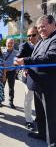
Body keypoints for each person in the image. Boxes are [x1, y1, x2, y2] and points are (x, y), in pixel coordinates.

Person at [14, 15, 56, 147]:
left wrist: (26, 61)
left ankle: (52, 141)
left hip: (47, 86)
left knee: (50, 115)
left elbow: (51, 58)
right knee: (40, 114)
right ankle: (42, 134)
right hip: (37, 84)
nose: (41, 30)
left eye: (43, 26)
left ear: (53, 24)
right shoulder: (42, 41)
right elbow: (35, 58)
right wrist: (27, 67)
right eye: (39, 28)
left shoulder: (54, 39)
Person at [16, 26, 40, 131]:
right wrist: (23, 67)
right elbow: (17, 58)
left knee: (40, 100)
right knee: (28, 99)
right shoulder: (24, 45)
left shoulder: (43, 43)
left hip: (42, 77)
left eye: (33, 35)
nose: (30, 37)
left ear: (38, 34)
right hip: (29, 76)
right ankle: (28, 120)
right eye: (29, 36)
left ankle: (40, 119)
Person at [2, 38, 18, 108]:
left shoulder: (17, 53)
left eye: (11, 43)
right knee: (1, 86)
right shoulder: (2, 52)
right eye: (8, 43)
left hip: (12, 72)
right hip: (3, 71)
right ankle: (0, 100)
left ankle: (11, 102)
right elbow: (0, 61)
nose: (10, 44)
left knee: (11, 87)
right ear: (6, 43)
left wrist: (16, 70)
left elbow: (18, 63)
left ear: (13, 44)